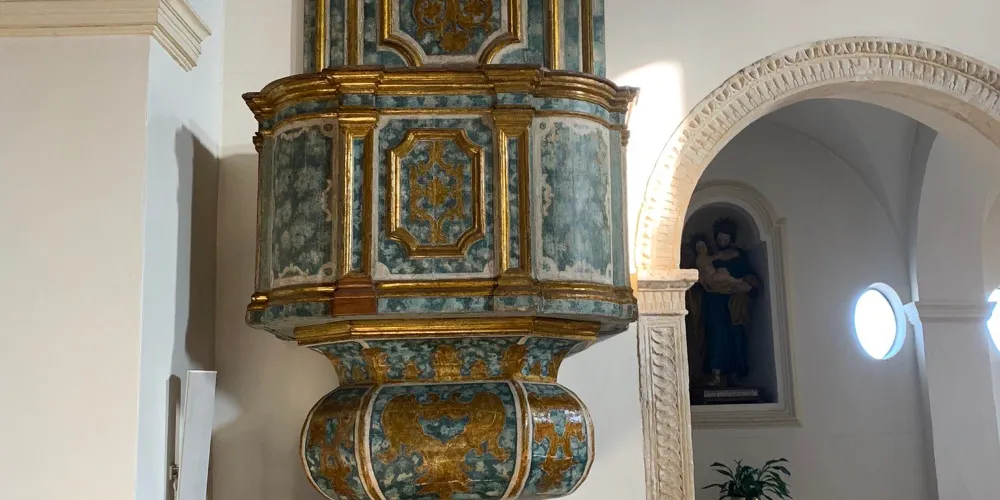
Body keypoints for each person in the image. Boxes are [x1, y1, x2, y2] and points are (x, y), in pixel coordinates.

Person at [698, 218, 759, 388]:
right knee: (716, 335)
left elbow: (748, 274)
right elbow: (703, 272)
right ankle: (715, 374)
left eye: (725, 239)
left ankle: (736, 375)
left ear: (731, 239)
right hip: (714, 301)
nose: (722, 242)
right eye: (720, 238)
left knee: (736, 335)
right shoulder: (710, 256)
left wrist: (748, 283)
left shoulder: (738, 255)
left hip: (734, 302)